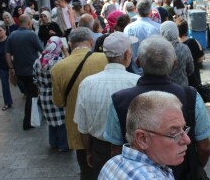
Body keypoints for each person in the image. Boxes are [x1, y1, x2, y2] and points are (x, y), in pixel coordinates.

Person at [104, 36, 210, 180]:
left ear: (137, 62)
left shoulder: (119, 100)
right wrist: (196, 167)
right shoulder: (190, 96)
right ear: (174, 64)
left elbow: (116, 148)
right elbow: (204, 146)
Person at [74, 32, 140, 178]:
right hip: (132, 151)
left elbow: (83, 128)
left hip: (100, 149)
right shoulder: (136, 82)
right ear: (126, 54)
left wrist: (89, 151)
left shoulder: (87, 83)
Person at [51, 27, 107, 180]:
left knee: (86, 170)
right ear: (91, 41)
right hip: (104, 126)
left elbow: (58, 102)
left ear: (70, 44)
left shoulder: (57, 68)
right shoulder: (104, 59)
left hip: (78, 129)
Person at [99, 91, 190, 180]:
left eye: (183, 129)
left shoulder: (112, 163)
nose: (187, 140)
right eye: (174, 133)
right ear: (142, 139)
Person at [5, 14, 44, 130]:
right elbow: (42, 51)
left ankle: (40, 114)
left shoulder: (12, 35)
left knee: (31, 93)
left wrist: (11, 68)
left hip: (19, 71)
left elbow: (7, 54)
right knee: (32, 96)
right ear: (29, 23)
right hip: (31, 71)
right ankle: (27, 122)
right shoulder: (31, 34)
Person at [33, 36, 69, 152]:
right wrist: (65, 51)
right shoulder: (59, 61)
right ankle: (63, 145)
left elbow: (34, 79)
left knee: (51, 121)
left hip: (43, 94)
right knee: (61, 121)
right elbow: (67, 73)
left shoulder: (38, 60)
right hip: (56, 93)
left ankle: (53, 143)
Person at [123, 0, 160, 75]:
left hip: (133, 71)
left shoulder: (128, 28)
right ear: (150, 12)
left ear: (136, 10)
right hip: (153, 73)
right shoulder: (158, 28)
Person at [161, 21, 194, 87]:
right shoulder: (184, 48)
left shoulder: (157, 50)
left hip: (163, 89)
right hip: (182, 88)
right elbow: (190, 69)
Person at [177, 18, 204, 88]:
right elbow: (201, 58)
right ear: (187, 29)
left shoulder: (173, 43)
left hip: (179, 77)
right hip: (193, 76)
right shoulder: (193, 41)